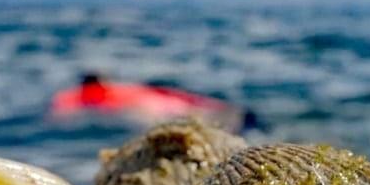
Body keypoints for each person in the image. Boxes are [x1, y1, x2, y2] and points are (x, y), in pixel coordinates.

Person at [50, 73, 248, 133]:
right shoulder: (126, 88)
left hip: (152, 109)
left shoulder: (72, 98)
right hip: (169, 104)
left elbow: (59, 116)